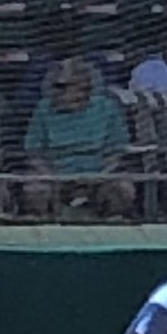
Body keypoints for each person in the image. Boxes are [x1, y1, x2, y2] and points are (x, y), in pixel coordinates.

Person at [22, 56, 134, 217]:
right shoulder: (43, 109)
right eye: (59, 87)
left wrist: (99, 176)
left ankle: (111, 222)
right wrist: (53, 176)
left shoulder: (106, 107)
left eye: (85, 89)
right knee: (35, 189)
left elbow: (116, 152)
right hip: (55, 175)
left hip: (100, 174)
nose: (81, 95)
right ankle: (47, 224)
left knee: (123, 188)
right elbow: (34, 153)